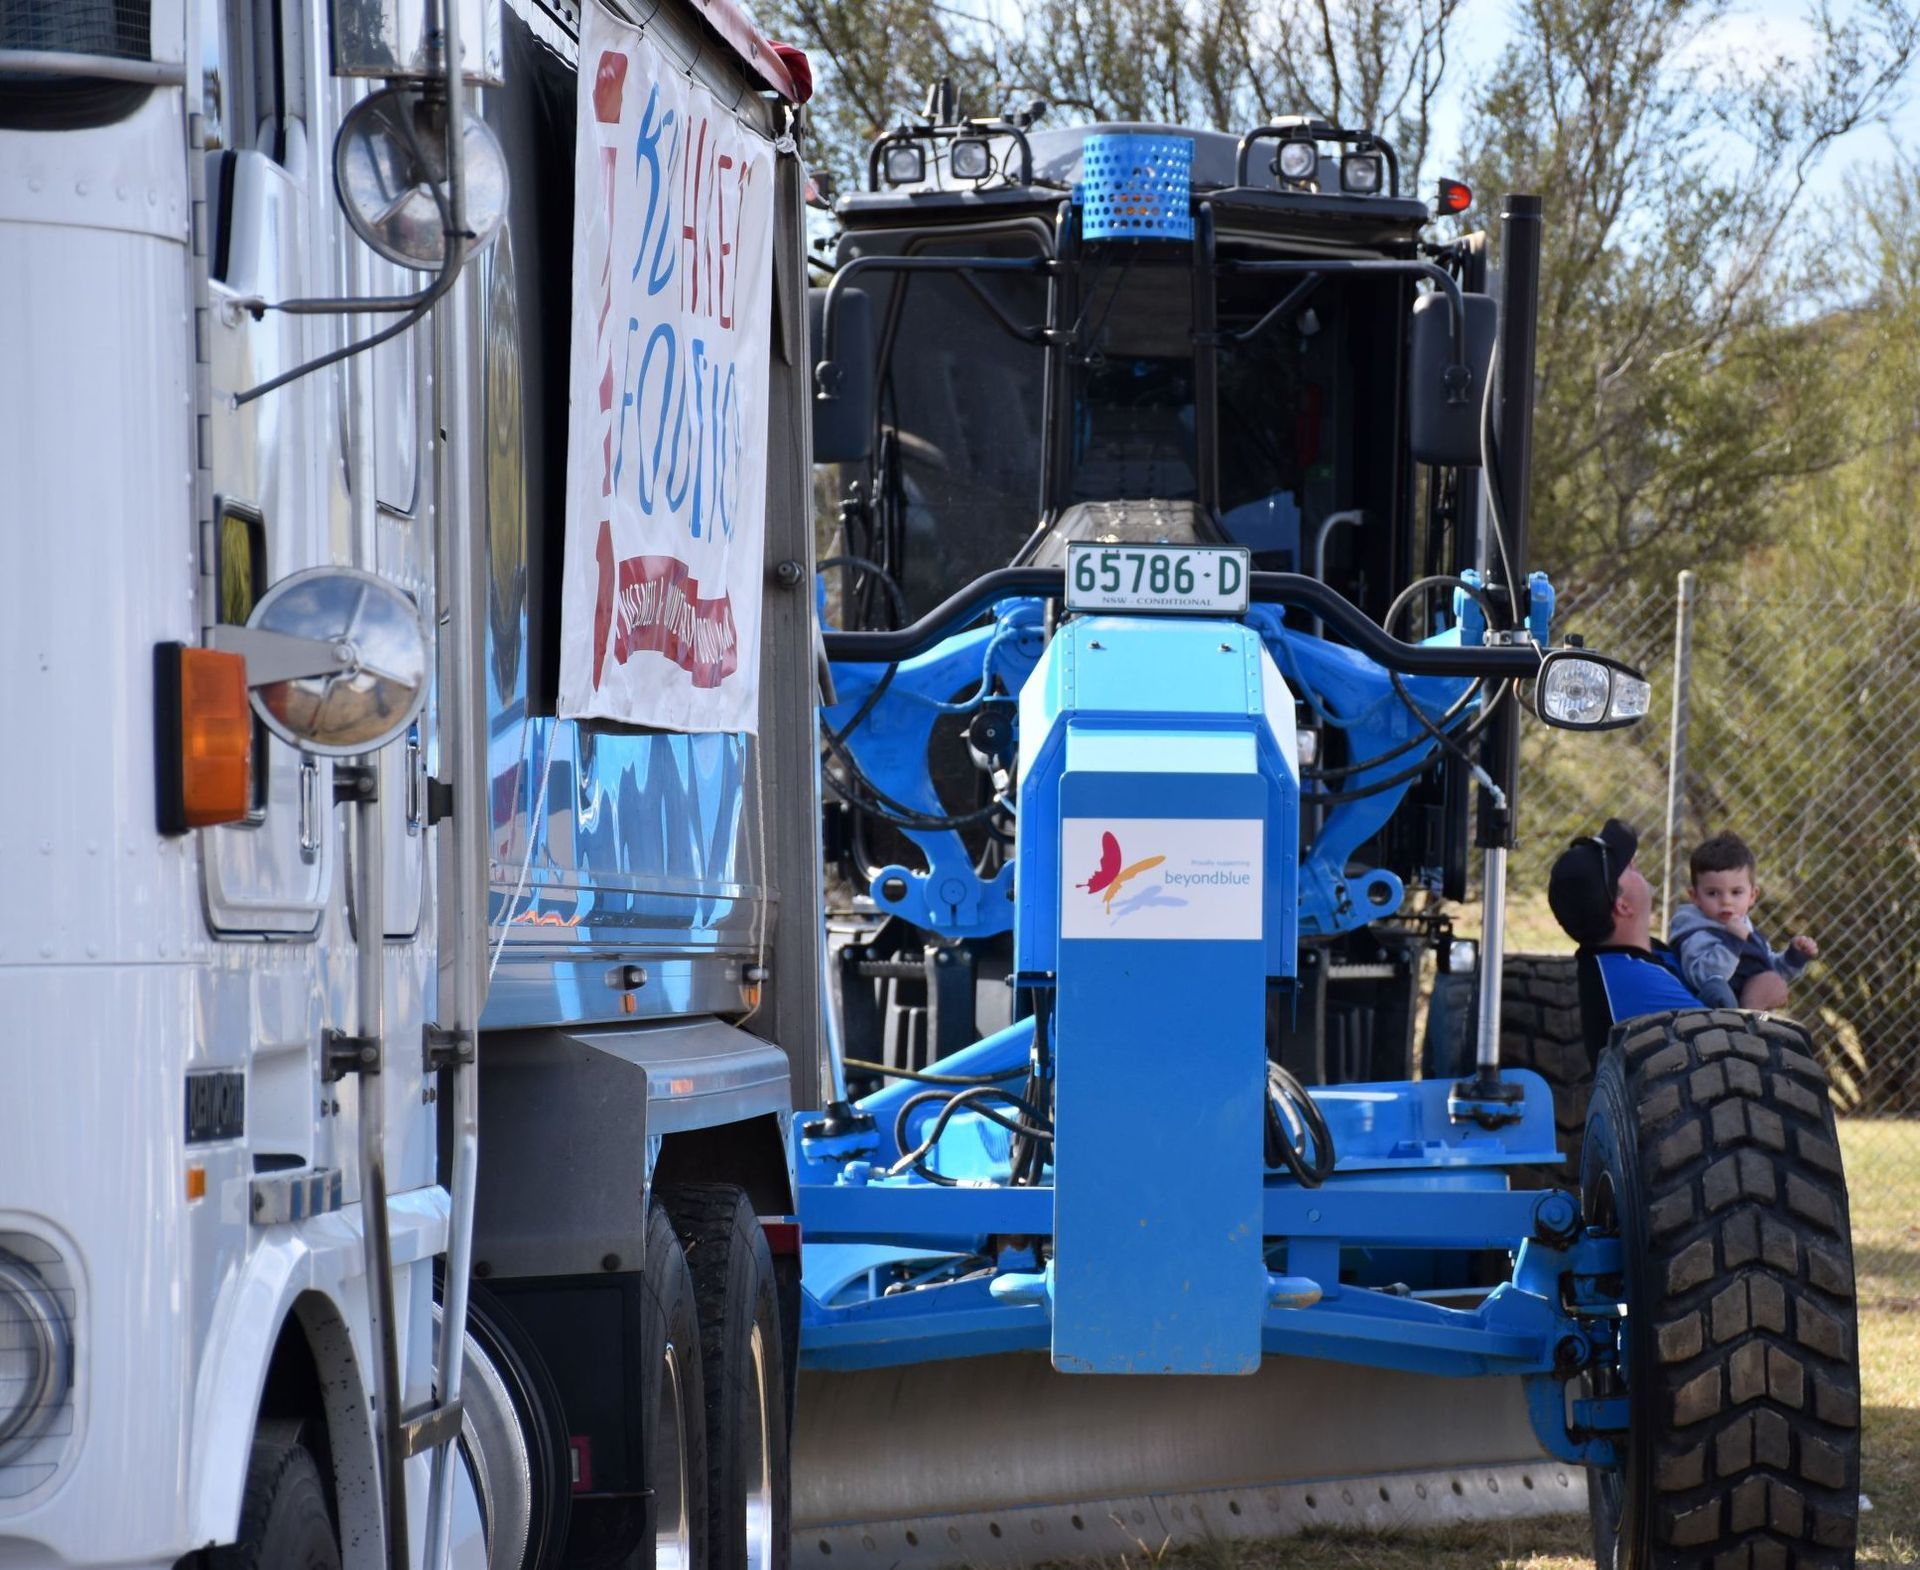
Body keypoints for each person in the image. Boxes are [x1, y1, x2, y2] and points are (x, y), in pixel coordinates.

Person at [1546, 818, 1706, 1064]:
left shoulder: (1631, 956)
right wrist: (1758, 1000)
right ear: (1622, 906)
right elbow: (1729, 1049)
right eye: (1627, 867)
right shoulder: (1633, 979)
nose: (1634, 861)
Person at [1667, 830, 1818, 1012]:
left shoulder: (1746, 929)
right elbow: (1704, 977)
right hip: (1710, 1022)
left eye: (1736, 892)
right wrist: (1733, 943)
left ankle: (1752, 1029)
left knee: (1773, 989)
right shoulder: (1695, 933)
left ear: (1752, 896)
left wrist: (1794, 957)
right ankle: (1736, 1023)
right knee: (1717, 989)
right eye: (1713, 893)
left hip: (1756, 1021)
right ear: (1695, 896)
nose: (1726, 901)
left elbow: (1768, 976)